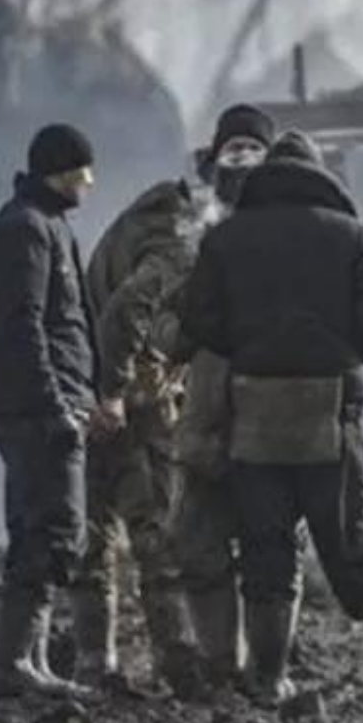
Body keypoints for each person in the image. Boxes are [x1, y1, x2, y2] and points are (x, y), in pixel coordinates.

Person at [179, 131, 363, 711]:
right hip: (330, 407)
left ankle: (267, 680)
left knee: (267, 550)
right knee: (359, 540)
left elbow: (198, 317)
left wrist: (247, 348)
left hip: (255, 410)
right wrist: (345, 352)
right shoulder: (350, 234)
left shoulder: (225, 237)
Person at [72, 103, 276, 692]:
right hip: (134, 391)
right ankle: (180, 665)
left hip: (97, 381)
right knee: (160, 526)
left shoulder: (165, 210)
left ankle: (95, 661)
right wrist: (118, 393)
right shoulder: (184, 232)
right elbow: (127, 312)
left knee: (98, 527)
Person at [0, 123, 110, 699]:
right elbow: (23, 328)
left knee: (43, 531)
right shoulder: (24, 230)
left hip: (53, 408)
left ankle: (26, 661)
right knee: (51, 534)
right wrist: (57, 408)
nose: (86, 187)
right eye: (81, 176)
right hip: (38, 414)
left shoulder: (47, 224)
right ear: (59, 172)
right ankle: (11, 665)